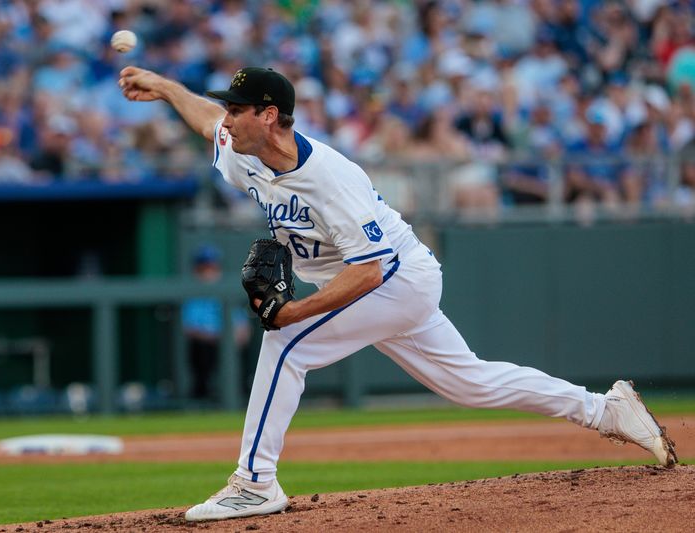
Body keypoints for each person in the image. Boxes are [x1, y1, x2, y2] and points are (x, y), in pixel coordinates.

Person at [118, 65, 677, 522]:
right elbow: (207, 120)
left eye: (239, 109)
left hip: (394, 279)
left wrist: (294, 312)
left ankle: (255, 481)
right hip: (386, 283)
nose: (228, 120)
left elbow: (367, 272)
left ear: (270, 116)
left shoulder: (331, 178)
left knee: (285, 344)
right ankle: (606, 410)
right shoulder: (246, 150)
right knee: (470, 382)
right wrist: (167, 88)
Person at [181, 244, 250, 400]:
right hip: (206, 344)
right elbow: (189, 328)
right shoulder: (191, 293)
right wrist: (217, 337)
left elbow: (242, 326)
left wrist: (236, 337)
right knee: (202, 352)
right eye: (204, 268)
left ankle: (242, 394)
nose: (209, 272)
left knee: (244, 351)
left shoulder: (226, 291)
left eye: (212, 267)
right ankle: (202, 398)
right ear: (197, 270)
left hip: (229, 343)